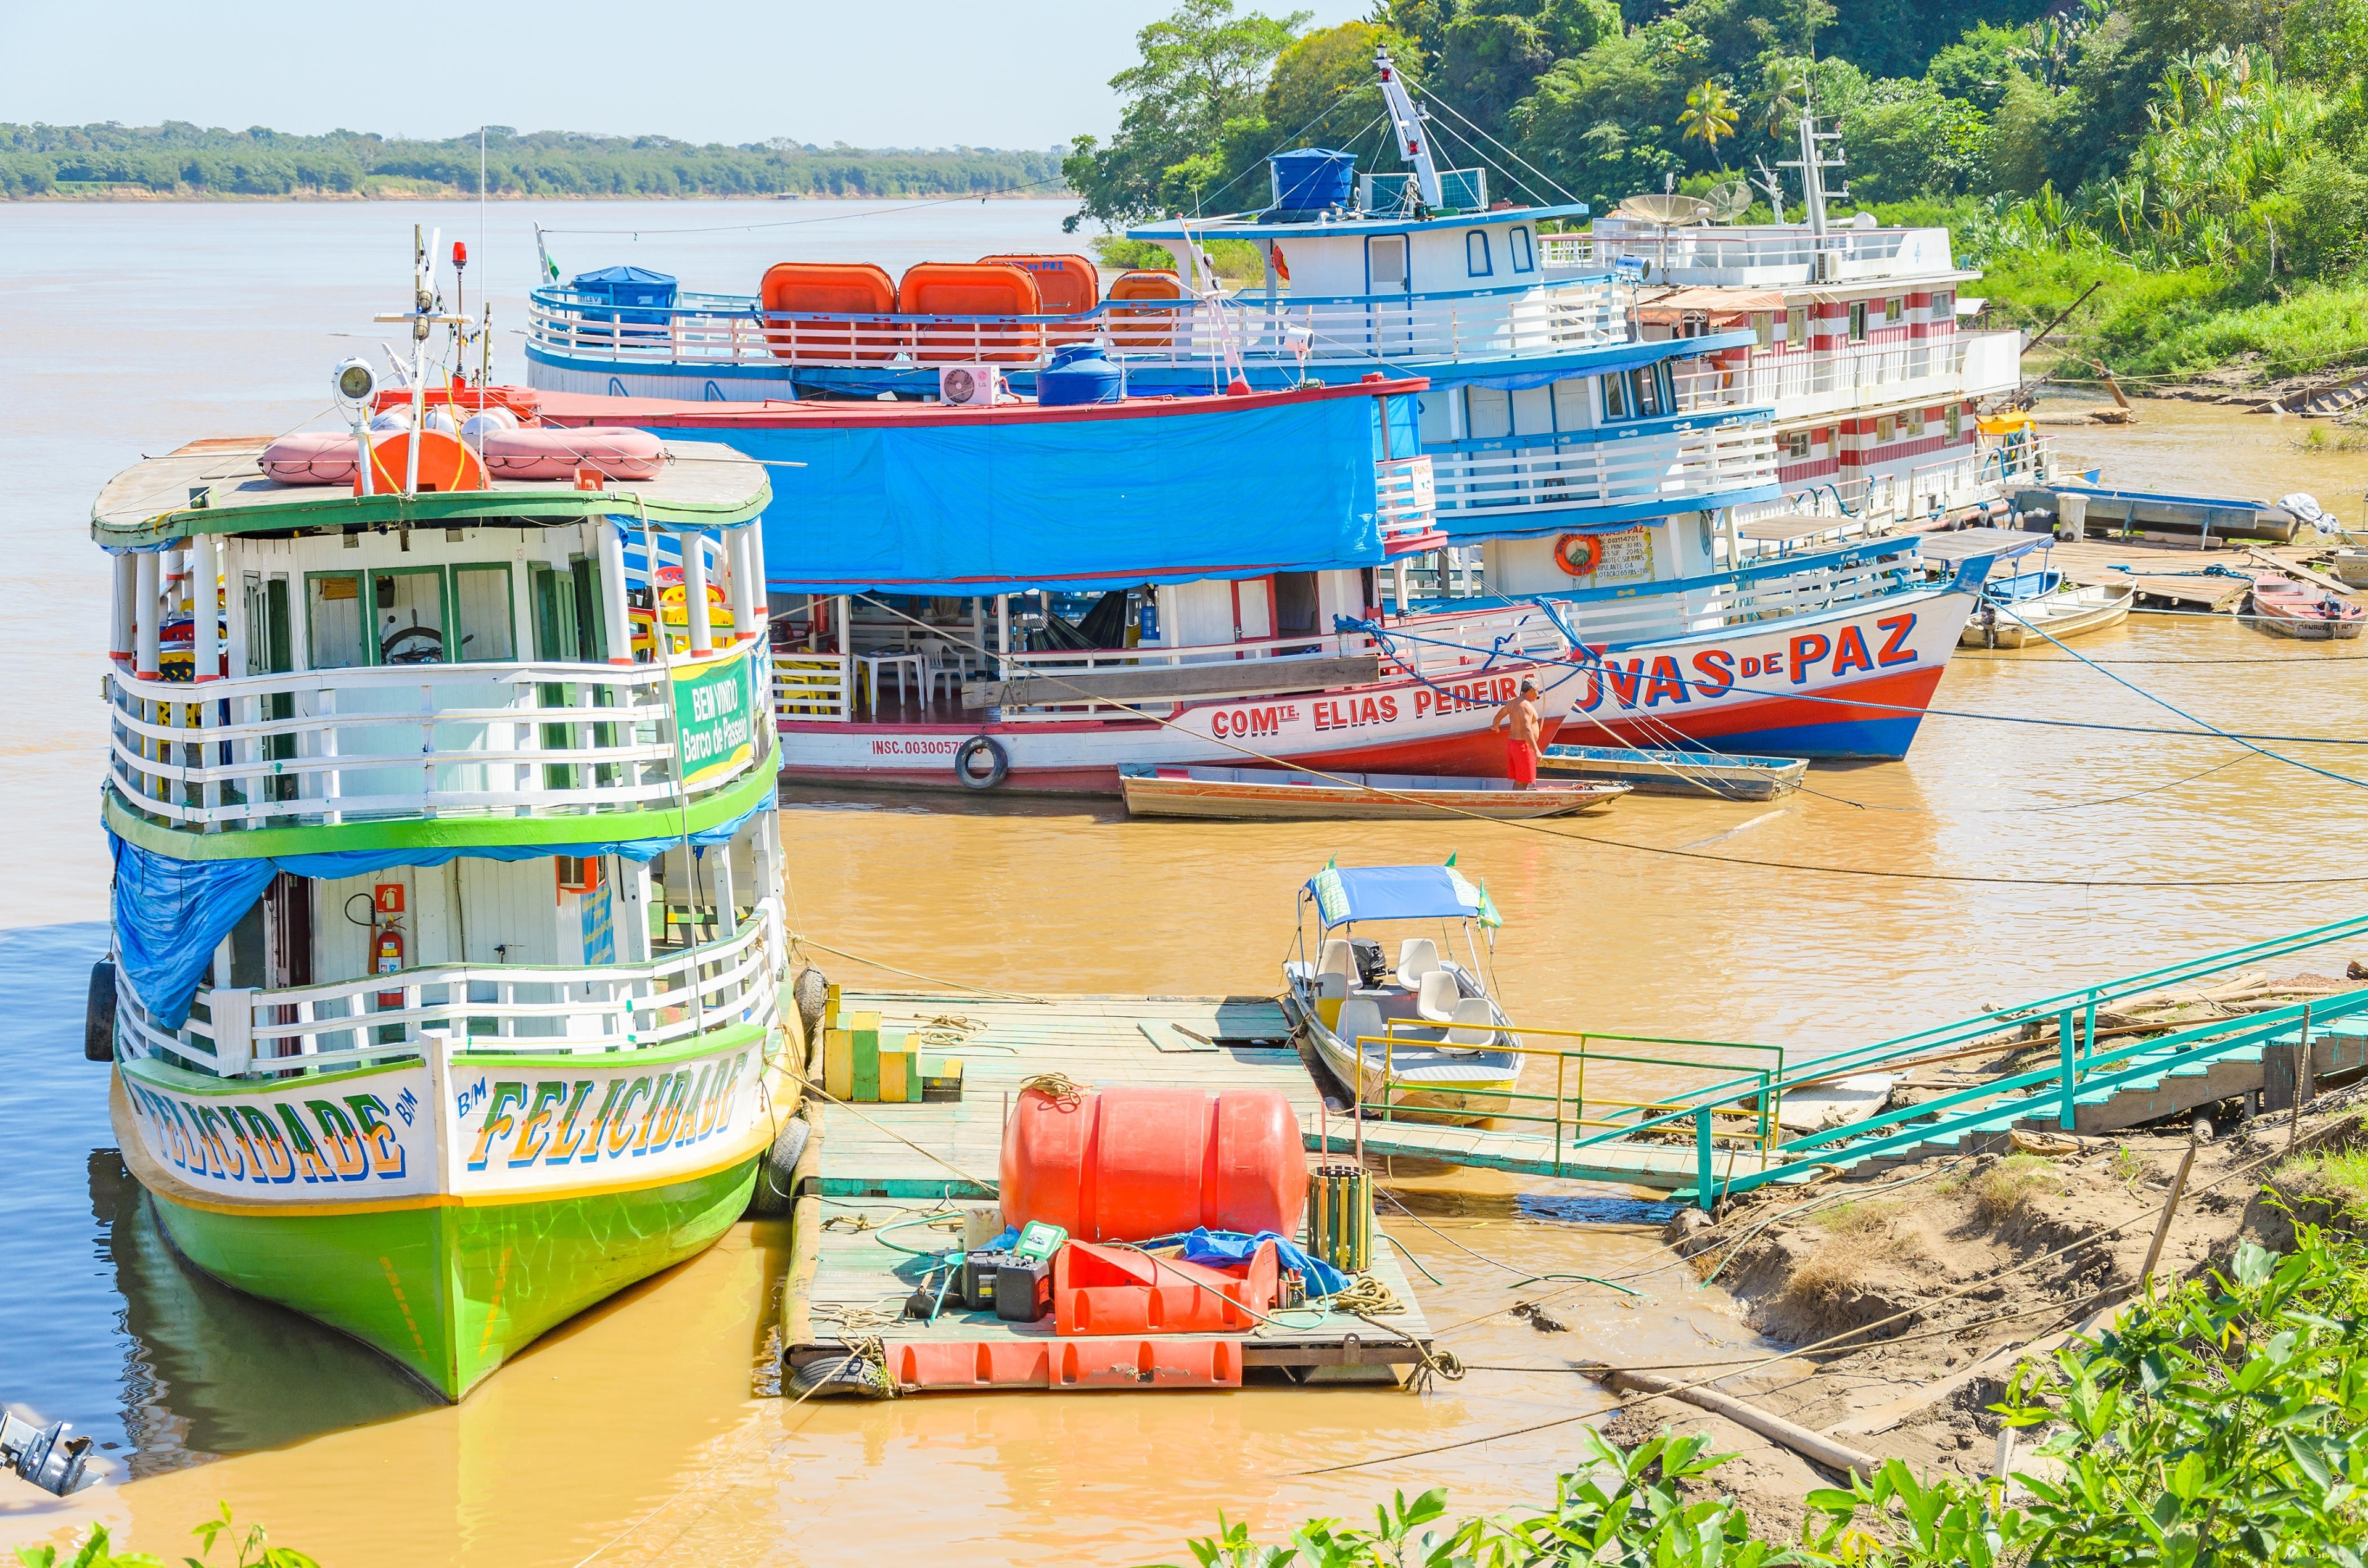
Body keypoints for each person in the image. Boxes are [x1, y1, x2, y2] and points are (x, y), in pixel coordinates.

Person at [1494, 679, 1544, 789]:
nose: (1538, 694)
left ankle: (1515, 801)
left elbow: (1500, 714)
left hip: (1512, 744)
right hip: (1522, 746)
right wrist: (1536, 750)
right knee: (1523, 780)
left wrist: (1495, 726)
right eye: (1537, 691)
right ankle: (1518, 804)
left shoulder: (1513, 702)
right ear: (1531, 691)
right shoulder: (1526, 706)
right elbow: (1526, 730)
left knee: (1519, 779)